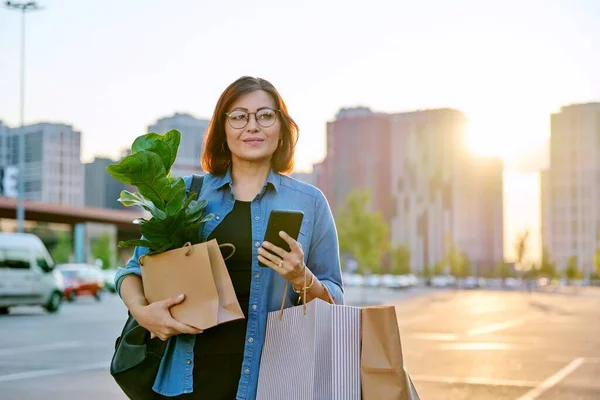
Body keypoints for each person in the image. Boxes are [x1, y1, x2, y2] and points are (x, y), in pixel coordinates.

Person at [114, 76, 344, 399]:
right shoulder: (187, 194)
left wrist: (301, 278)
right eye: (239, 116)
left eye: (265, 115)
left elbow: (336, 299)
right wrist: (143, 313)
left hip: (274, 385)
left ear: (281, 127)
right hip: (187, 382)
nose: (252, 126)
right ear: (223, 130)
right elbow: (132, 272)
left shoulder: (310, 202)